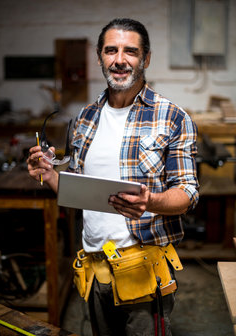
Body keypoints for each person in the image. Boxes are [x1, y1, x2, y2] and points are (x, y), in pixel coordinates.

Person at [27, 18, 199, 336]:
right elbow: (76, 189)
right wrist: (49, 175)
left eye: (130, 51)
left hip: (144, 273)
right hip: (94, 269)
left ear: (145, 59)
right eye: (111, 50)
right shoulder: (83, 119)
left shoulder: (172, 117)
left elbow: (188, 192)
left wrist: (151, 201)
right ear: (99, 57)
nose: (120, 59)